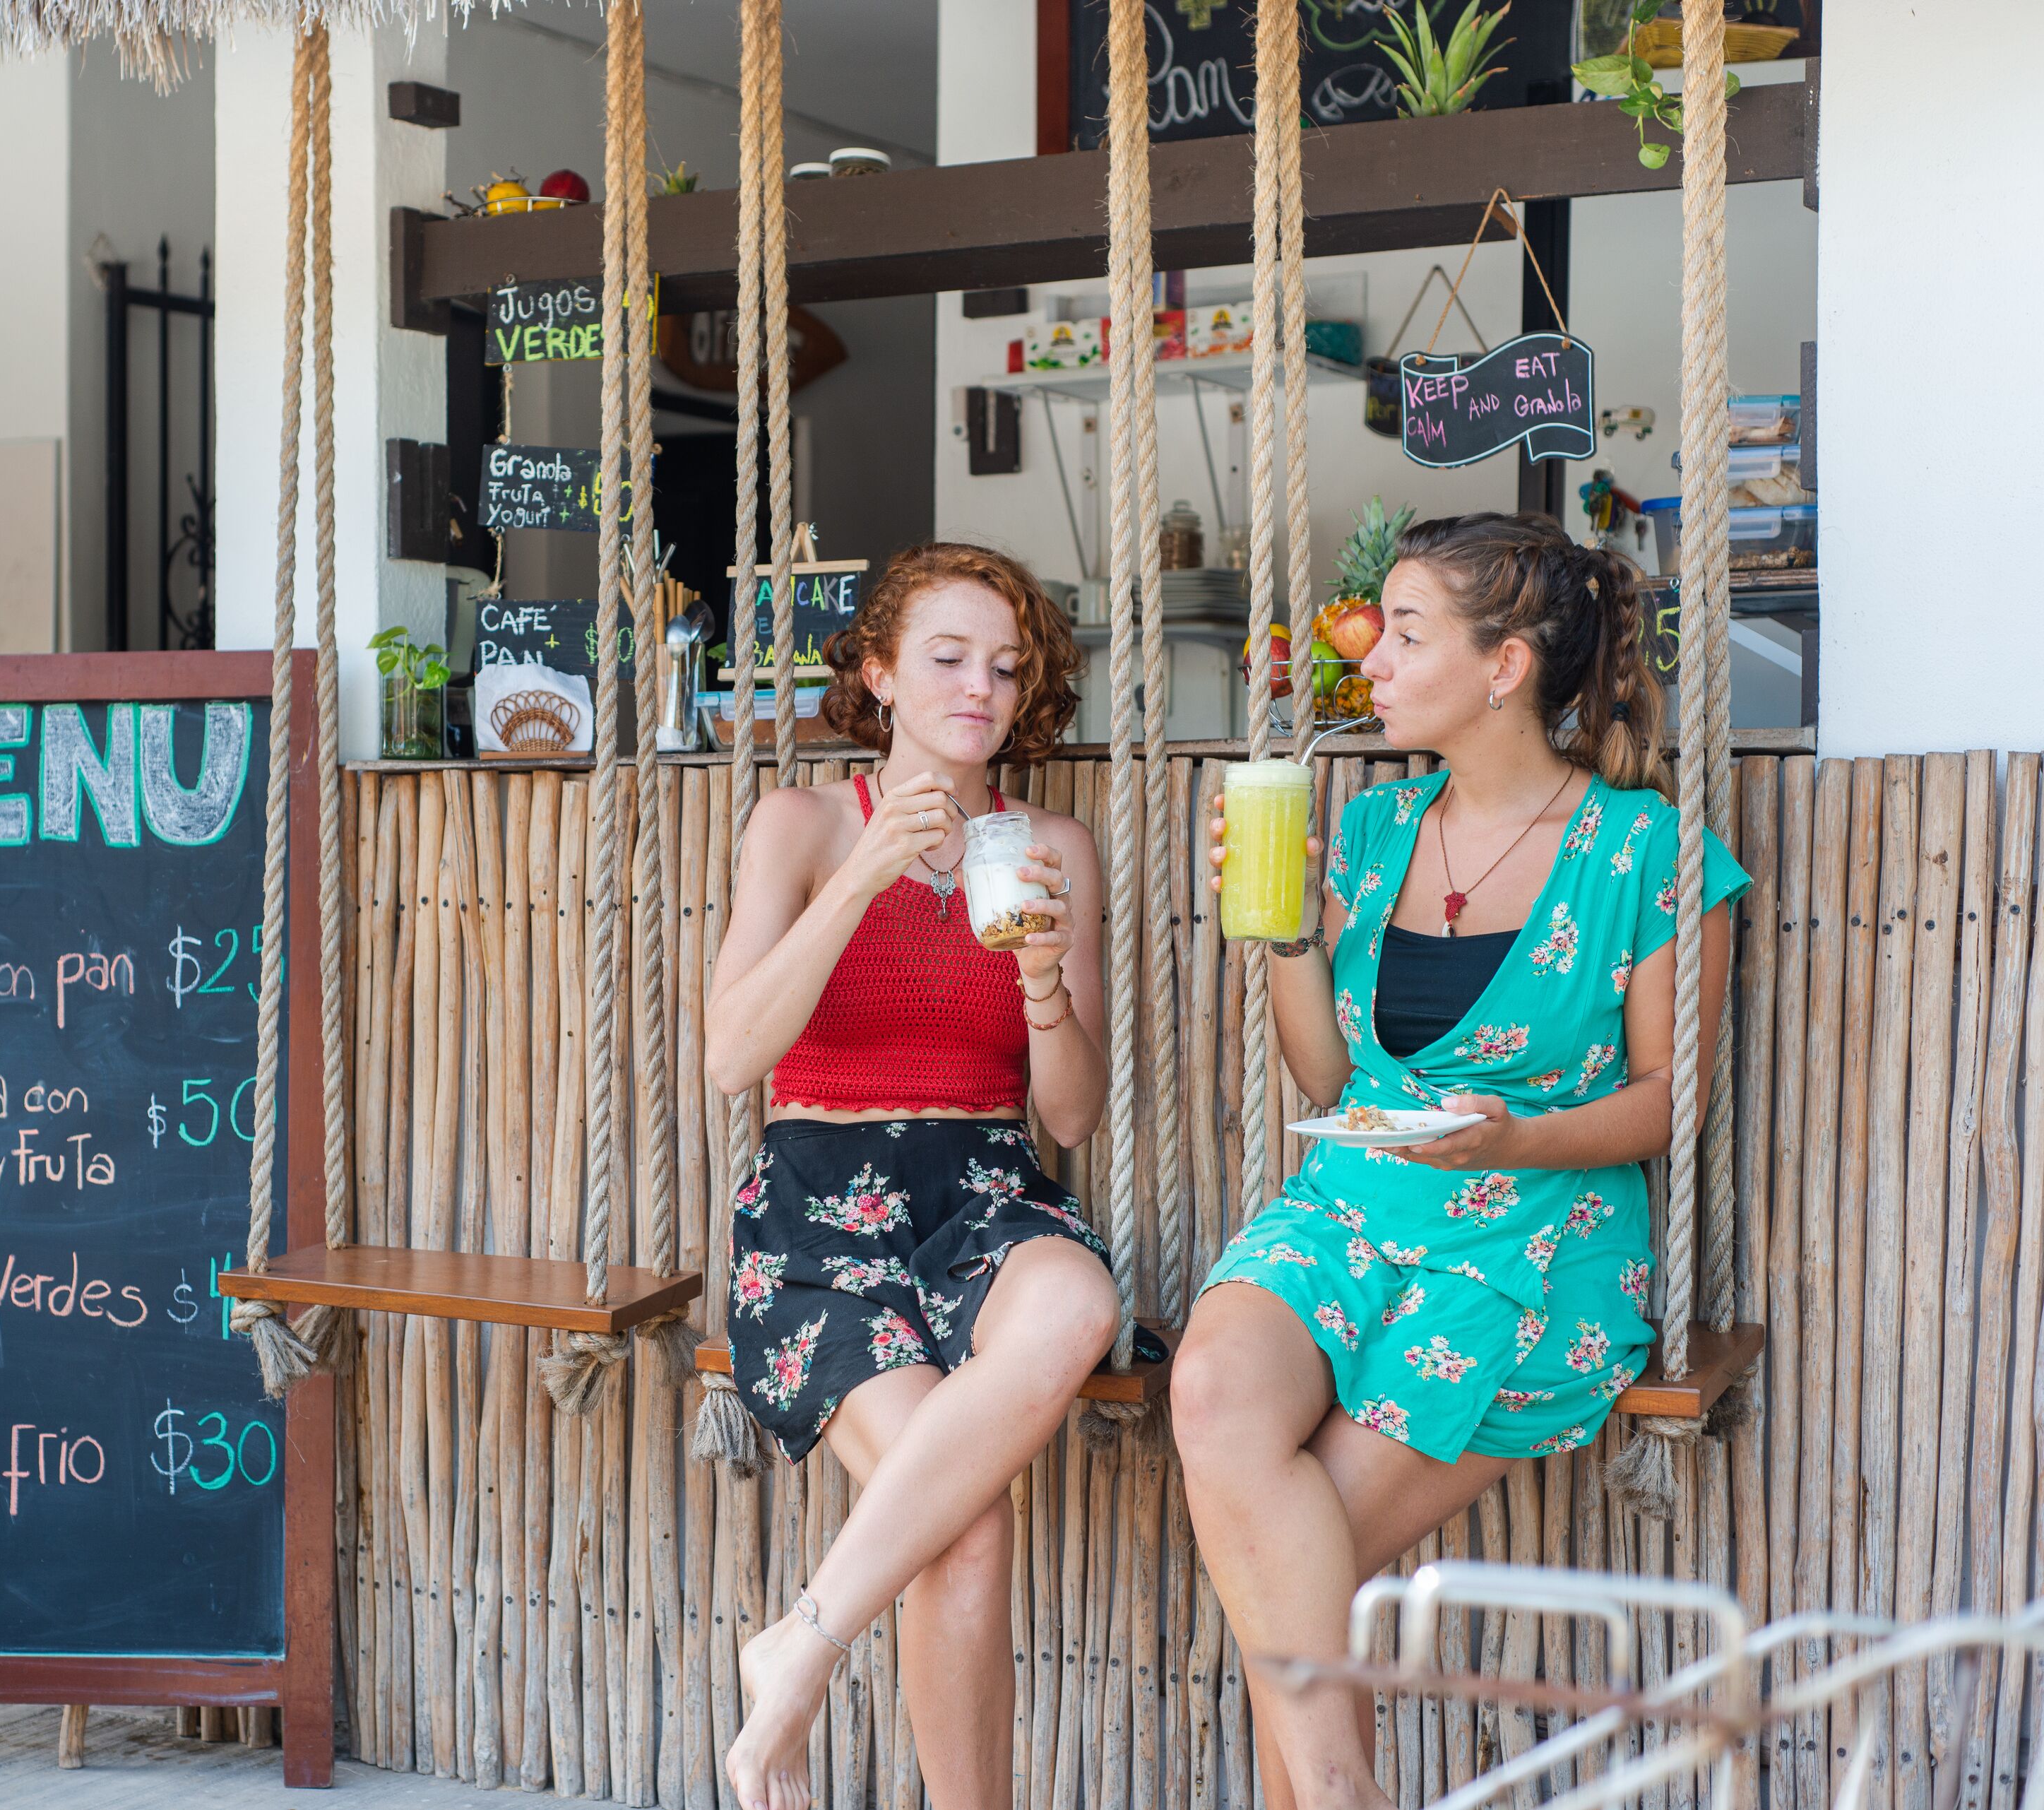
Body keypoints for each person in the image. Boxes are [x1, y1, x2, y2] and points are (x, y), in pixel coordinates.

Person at [1174, 511, 1747, 1809]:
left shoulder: (1646, 853)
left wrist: (1514, 1136)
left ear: (1504, 667)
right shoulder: (1375, 831)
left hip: (1536, 1236)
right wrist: (1282, 936)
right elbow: (1331, 1080)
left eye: (1407, 627)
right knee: (1209, 1395)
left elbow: (1671, 1100)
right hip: (1348, 1204)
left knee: (1289, 1553)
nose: (1369, 652)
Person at [706, 541, 1157, 1810]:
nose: (982, 689)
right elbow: (732, 1053)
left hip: (987, 1188)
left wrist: (1045, 990)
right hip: (817, 1206)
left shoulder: (1047, 840)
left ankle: (800, 1642)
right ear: (879, 672)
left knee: (1076, 1304)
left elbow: (1065, 1110)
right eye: (949, 658)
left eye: (1006, 668)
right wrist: (863, 870)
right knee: (964, 1525)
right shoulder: (801, 824)